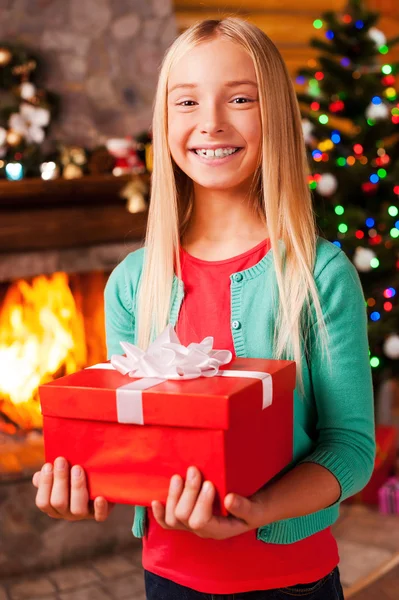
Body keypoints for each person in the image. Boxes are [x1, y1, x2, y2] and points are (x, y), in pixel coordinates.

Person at [33, 18, 376, 599]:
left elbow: (350, 448)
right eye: (186, 101)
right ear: (165, 122)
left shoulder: (319, 276)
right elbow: (137, 438)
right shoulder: (131, 283)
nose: (211, 122)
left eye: (240, 99)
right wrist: (85, 484)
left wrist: (258, 509)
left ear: (275, 118)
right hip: (169, 579)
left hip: (292, 582)